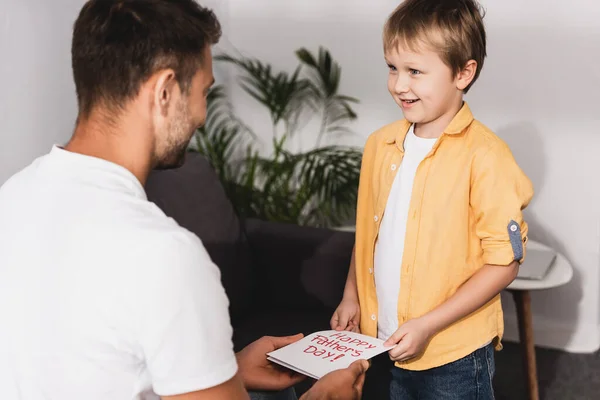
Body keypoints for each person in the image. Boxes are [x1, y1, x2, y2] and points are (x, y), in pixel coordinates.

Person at [0, 1, 369, 399]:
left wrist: (226, 371)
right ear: (164, 91)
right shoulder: (164, 253)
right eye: (203, 92)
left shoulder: (12, 198)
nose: (202, 115)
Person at [330, 0, 534, 398]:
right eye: (392, 67)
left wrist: (428, 324)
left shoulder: (487, 157)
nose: (399, 85)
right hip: (383, 345)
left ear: (463, 72)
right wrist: (351, 295)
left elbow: (504, 264)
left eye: (415, 72)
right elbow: (369, 233)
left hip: (453, 356)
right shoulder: (379, 146)